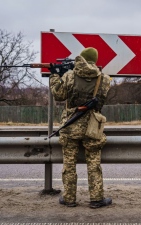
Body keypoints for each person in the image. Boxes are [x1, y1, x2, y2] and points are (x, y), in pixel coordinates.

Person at [49, 47, 112, 208]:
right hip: (92, 127)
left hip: (71, 126)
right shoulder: (104, 79)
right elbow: (101, 101)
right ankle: (96, 199)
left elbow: (58, 95)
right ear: (95, 61)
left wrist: (55, 75)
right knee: (94, 164)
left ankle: (69, 199)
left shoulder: (69, 76)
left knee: (69, 164)